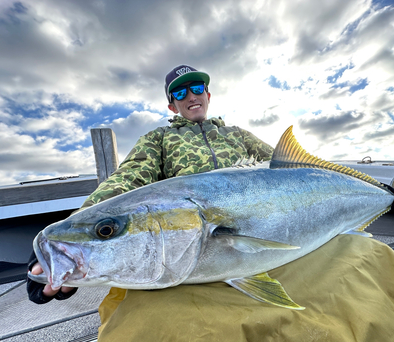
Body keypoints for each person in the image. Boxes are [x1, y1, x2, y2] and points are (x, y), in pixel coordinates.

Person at [27, 64, 275, 305]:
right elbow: (128, 177)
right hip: (194, 244)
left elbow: (283, 166)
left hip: (261, 224)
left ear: (208, 95)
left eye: (197, 88)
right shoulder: (160, 138)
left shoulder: (238, 134)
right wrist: (72, 232)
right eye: (180, 93)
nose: (190, 96)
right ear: (172, 105)